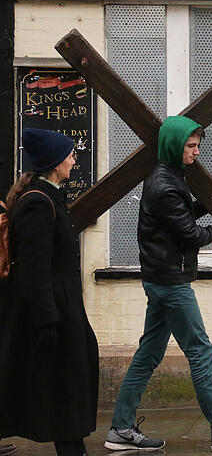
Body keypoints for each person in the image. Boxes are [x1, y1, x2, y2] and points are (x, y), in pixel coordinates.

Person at [105, 116, 212, 452]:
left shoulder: (169, 179)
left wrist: (208, 203)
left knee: (148, 354)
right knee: (200, 351)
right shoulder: (164, 184)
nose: (195, 152)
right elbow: (190, 236)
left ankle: (120, 429)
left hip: (161, 279)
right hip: (171, 284)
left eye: (197, 146)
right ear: (174, 145)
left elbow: (178, 217)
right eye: (190, 146)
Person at [0, 128, 99, 456]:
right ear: (56, 163)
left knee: (64, 385)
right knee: (63, 385)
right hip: (51, 312)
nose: (74, 159)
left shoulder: (50, 197)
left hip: (61, 309)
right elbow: (34, 268)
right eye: (70, 154)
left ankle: (73, 446)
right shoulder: (37, 204)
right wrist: (47, 322)